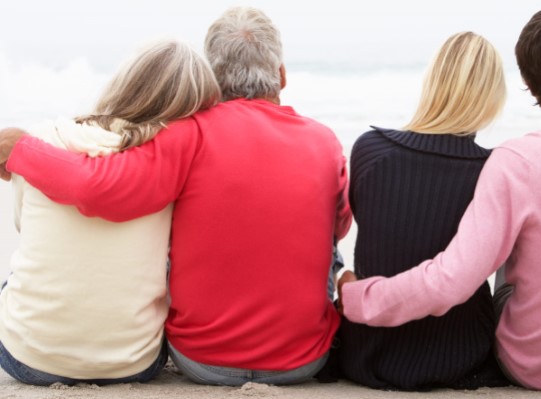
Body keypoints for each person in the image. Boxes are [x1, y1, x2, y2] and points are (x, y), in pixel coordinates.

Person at [0, 7, 351, 386]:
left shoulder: (189, 133)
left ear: (213, 80)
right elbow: (341, 224)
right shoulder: (325, 141)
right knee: (326, 244)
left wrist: (21, 149)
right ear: (281, 74)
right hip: (303, 362)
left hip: (202, 360)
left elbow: (100, 190)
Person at [338, 8, 541, 393]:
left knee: (507, 247)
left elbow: (449, 282)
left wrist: (358, 298)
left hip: (538, 367)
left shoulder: (517, 161)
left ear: (527, 81)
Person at [0, 39, 220, 386]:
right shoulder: (180, 164)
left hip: (28, 359)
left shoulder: (43, 139)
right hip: (132, 364)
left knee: (19, 276)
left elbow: (23, 225)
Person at [338, 31, 507, 391]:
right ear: (493, 98)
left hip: (369, 351)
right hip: (461, 355)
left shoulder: (370, 150)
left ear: (432, 82)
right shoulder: (494, 170)